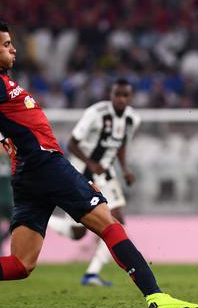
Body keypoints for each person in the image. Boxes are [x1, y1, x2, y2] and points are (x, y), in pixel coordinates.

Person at [0, 19, 198, 308]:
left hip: (27, 175)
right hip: (45, 165)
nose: (14, 49)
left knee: (21, 263)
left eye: (12, 43)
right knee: (110, 224)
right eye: (6, 44)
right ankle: (156, 295)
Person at [47, 78, 141, 287]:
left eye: (125, 95)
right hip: (83, 172)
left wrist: (124, 169)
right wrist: (91, 163)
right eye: (117, 94)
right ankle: (44, 219)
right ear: (111, 94)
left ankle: (92, 273)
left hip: (106, 174)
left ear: (130, 97)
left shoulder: (132, 119)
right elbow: (71, 143)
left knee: (117, 222)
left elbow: (122, 145)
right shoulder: (96, 113)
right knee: (76, 233)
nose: (121, 99)